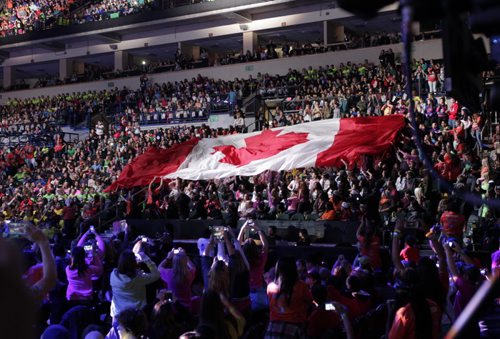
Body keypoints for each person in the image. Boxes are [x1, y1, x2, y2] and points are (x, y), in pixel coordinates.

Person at [265, 257, 312, 338]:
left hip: (274, 327)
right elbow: (310, 302)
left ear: (277, 270)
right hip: (295, 326)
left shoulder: (270, 287)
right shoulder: (302, 286)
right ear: (294, 270)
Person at [110, 247, 160, 321]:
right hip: (135, 314)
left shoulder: (113, 275)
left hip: (117, 314)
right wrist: (146, 258)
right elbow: (156, 275)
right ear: (134, 263)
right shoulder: (138, 279)